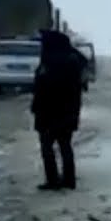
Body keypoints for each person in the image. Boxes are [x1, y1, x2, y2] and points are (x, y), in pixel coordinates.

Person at [31, 29, 84, 190]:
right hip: (67, 111)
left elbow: (43, 88)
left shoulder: (51, 61)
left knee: (48, 147)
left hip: (49, 111)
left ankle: (53, 180)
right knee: (65, 145)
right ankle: (69, 180)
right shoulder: (73, 59)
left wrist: (36, 106)